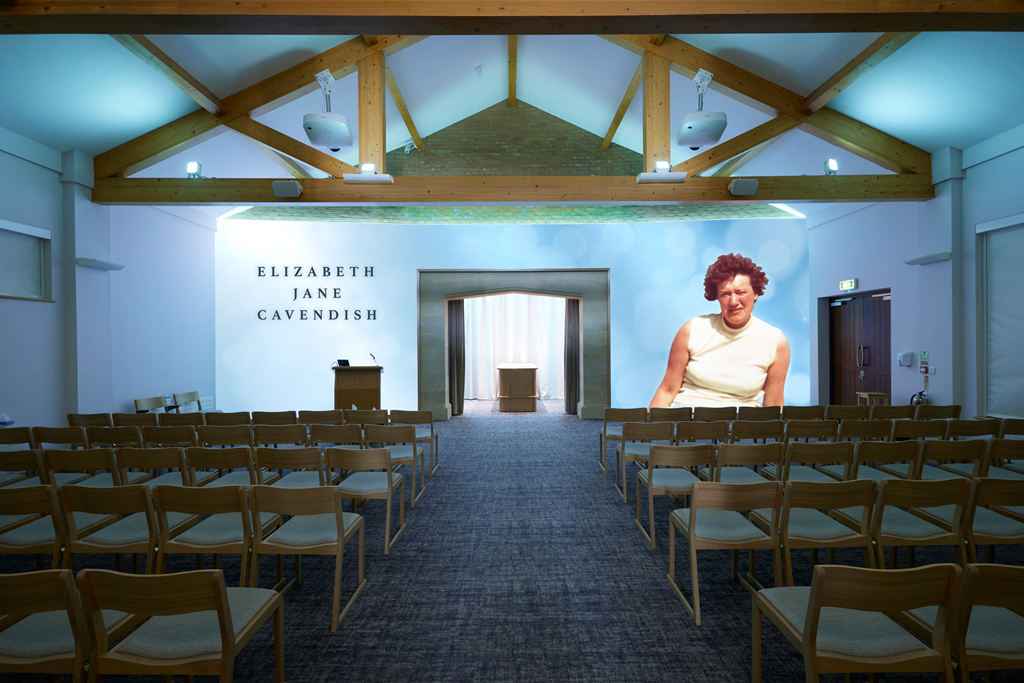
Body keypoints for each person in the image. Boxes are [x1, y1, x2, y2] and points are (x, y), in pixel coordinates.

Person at [649, 253, 790, 409]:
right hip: (686, 417)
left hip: (741, 421)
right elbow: (667, 390)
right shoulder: (692, 329)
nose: (733, 301)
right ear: (717, 296)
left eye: (741, 292)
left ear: (756, 293)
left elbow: (774, 404)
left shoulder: (775, 341)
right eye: (725, 294)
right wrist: (647, 424)